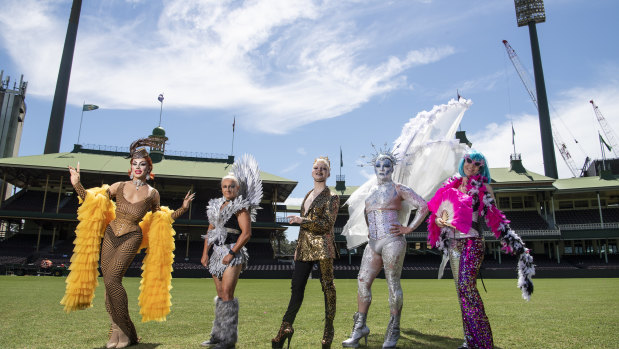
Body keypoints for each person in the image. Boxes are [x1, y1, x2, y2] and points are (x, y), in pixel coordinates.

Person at [61, 139, 194, 349]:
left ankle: (125, 332)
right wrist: (77, 184)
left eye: (142, 164)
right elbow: (92, 201)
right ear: (130, 167)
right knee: (108, 285)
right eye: (134, 164)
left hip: (132, 236)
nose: (138, 167)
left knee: (113, 279)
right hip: (111, 234)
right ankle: (117, 332)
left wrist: (183, 209)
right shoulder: (118, 186)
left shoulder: (152, 193)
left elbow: (162, 218)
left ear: (149, 167)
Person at [427, 149, 535, 349]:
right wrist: (440, 222)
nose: (472, 165)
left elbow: (495, 217)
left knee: (468, 288)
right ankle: (470, 341)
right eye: (469, 161)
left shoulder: (484, 187)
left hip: (472, 243)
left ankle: (484, 343)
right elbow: (437, 214)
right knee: (461, 292)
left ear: (482, 168)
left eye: (478, 164)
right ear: (463, 162)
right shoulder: (452, 186)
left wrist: (514, 242)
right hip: (453, 245)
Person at [342, 151, 428, 349]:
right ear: (374, 168)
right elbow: (366, 216)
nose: (382, 169)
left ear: (393, 168)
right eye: (379, 165)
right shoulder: (370, 192)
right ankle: (360, 326)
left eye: (386, 165)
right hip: (373, 243)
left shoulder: (399, 188)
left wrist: (410, 228)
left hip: (393, 240)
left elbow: (423, 205)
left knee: (392, 283)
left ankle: (393, 330)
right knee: (362, 282)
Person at [272, 157, 340, 349]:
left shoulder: (332, 196)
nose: (319, 170)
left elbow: (327, 225)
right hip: (304, 248)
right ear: (312, 172)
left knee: (328, 288)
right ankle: (285, 327)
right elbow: (304, 228)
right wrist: (297, 248)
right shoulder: (308, 194)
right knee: (296, 288)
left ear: (328, 173)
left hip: (323, 246)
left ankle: (328, 329)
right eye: (316, 168)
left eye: (323, 168)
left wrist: (303, 221)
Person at [200, 154, 263, 349]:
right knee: (220, 295)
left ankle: (228, 340)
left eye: (232, 186)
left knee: (227, 294)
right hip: (216, 253)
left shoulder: (240, 207)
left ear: (238, 189)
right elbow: (210, 231)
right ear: (221, 189)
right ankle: (217, 335)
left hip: (232, 253)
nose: (228, 189)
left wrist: (232, 253)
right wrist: (205, 253)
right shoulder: (216, 206)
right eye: (225, 186)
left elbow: (246, 234)